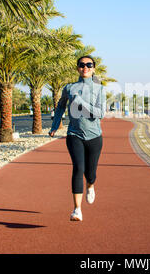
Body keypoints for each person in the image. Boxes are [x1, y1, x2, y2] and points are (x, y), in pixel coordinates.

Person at [49, 55, 106, 221]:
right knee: (78, 168)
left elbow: (100, 114)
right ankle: (77, 210)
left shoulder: (99, 89)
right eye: (82, 65)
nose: (85, 67)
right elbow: (60, 107)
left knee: (90, 173)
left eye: (89, 65)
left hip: (95, 136)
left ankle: (91, 185)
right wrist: (54, 126)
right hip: (74, 134)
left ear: (94, 68)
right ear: (77, 68)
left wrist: (80, 102)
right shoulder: (69, 88)